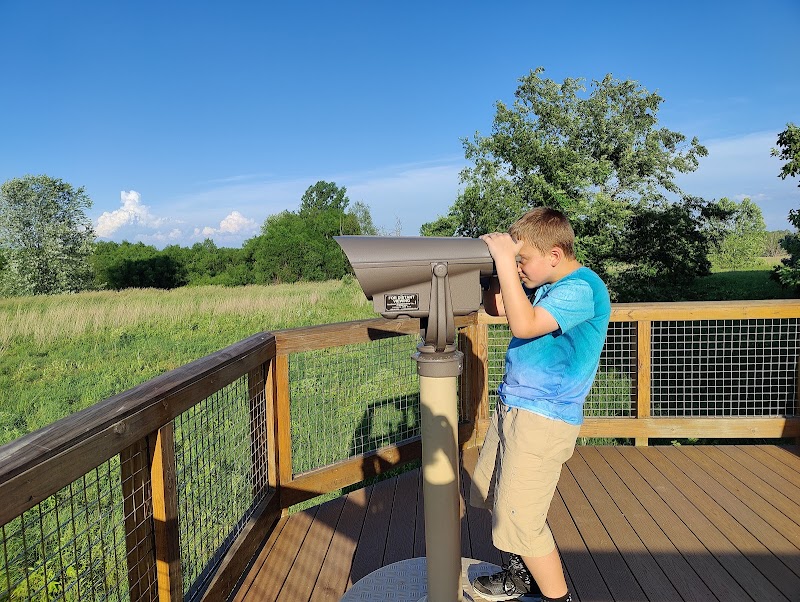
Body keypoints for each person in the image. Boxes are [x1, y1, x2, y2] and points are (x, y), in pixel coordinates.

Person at [470, 207, 611, 602]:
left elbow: (524, 324)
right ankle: (521, 577)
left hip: (543, 419)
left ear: (554, 254)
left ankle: (556, 598)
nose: (519, 269)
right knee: (501, 499)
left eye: (523, 260)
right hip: (515, 407)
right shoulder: (549, 283)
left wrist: (502, 260)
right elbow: (498, 307)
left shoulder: (581, 288)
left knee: (524, 521)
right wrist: (494, 270)